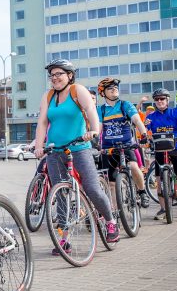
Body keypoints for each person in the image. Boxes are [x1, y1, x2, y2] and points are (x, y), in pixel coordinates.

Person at [34, 59, 119, 248]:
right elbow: (42, 122)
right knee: (61, 193)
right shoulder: (48, 96)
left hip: (79, 148)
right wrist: (39, 146)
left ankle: (111, 221)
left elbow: (91, 111)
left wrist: (94, 131)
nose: (54, 78)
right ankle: (64, 239)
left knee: (92, 188)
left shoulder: (77, 90)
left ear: (70, 75)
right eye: (52, 75)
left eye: (59, 74)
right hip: (55, 150)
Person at [145, 88, 177, 222]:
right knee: (159, 180)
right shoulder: (150, 116)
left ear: (167, 100)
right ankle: (163, 209)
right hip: (159, 150)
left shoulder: (176, 112)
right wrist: (144, 136)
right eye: (157, 99)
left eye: (162, 98)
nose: (159, 101)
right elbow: (145, 129)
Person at [96, 77, 150, 209]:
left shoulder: (125, 105)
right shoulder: (101, 110)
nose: (114, 89)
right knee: (112, 184)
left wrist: (143, 135)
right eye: (110, 88)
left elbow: (137, 121)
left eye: (115, 87)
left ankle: (142, 191)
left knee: (133, 166)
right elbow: (98, 128)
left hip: (126, 145)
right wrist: (95, 141)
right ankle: (115, 214)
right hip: (108, 148)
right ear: (103, 93)